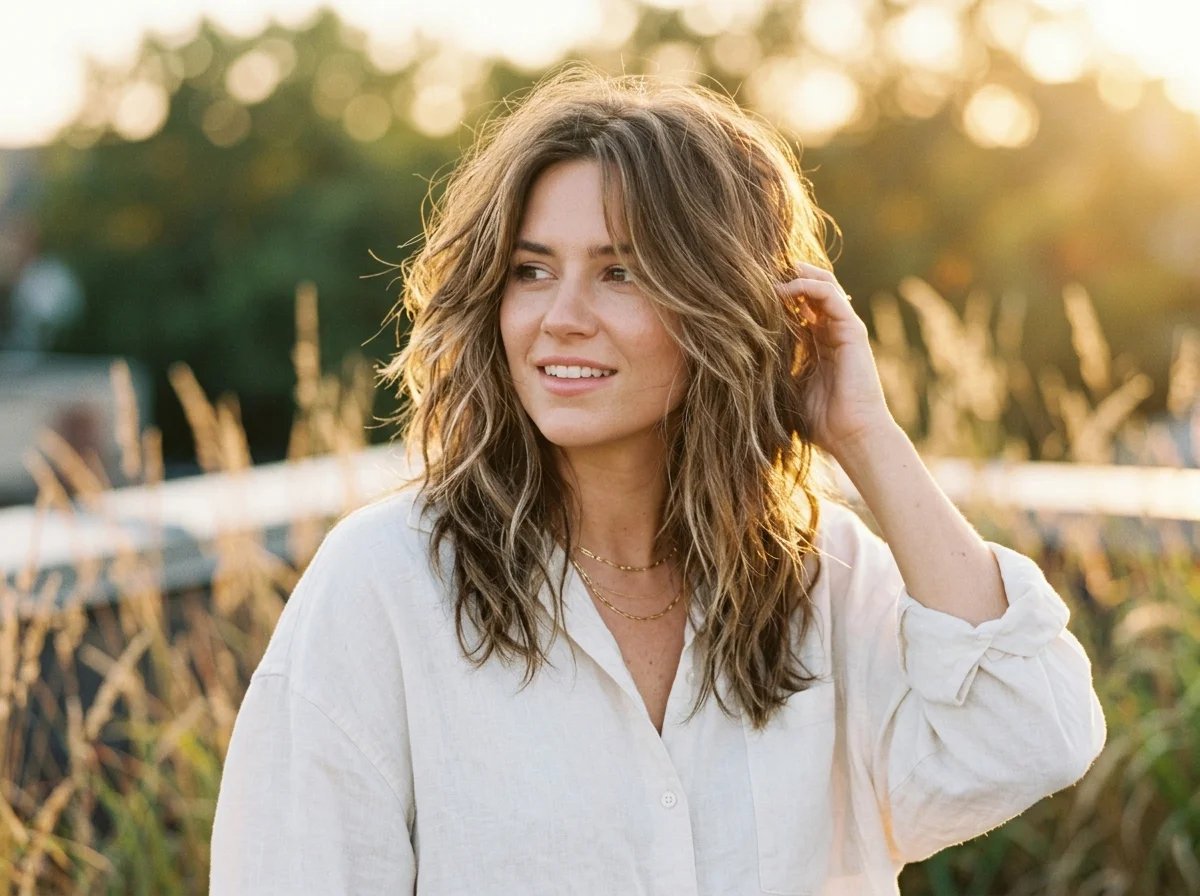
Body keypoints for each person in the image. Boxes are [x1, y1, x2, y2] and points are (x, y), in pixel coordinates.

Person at [209, 68, 1105, 895]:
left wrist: (865, 437)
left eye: (620, 273)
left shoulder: (820, 573)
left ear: (722, 303)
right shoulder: (384, 583)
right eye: (531, 271)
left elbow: (1034, 735)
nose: (561, 318)